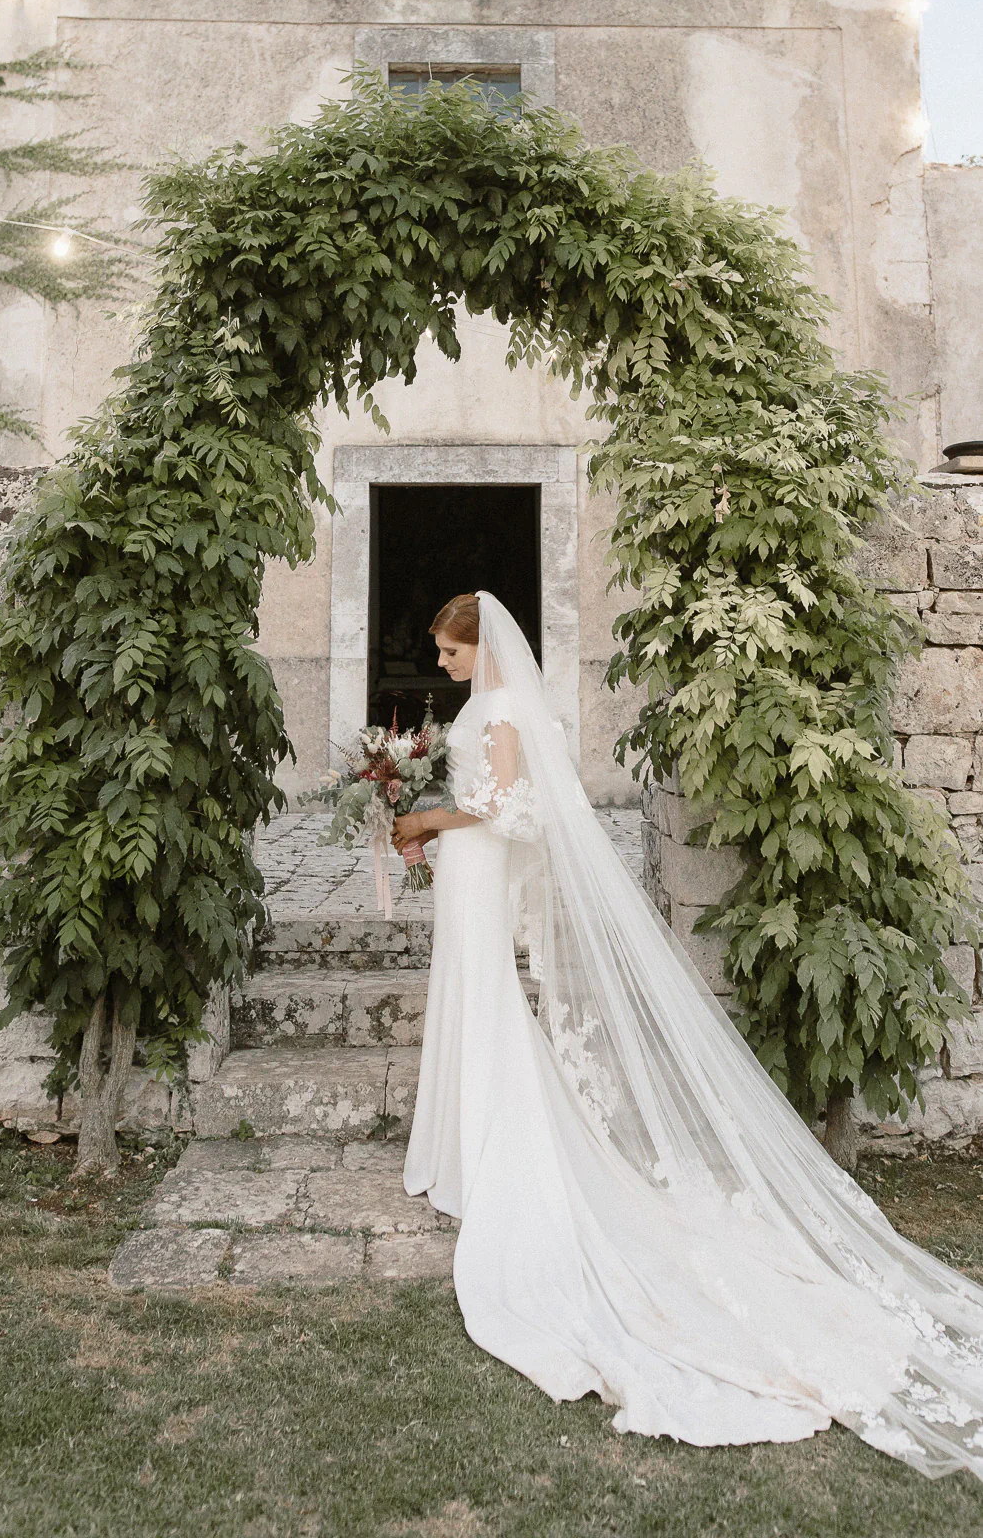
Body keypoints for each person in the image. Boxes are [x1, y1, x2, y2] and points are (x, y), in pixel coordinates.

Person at [389, 588, 983, 1483]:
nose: (442, 665)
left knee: (488, 1009)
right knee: (471, 1004)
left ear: (482, 646)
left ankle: (489, 1153)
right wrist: (430, 822)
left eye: (448, 652)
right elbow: (485, 798)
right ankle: (458, 1149)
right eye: (440, 655)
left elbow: (512, 811)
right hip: (463, 875)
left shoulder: (504, 707)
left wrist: (430, 818)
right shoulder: (482, 707)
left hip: (475, 866)